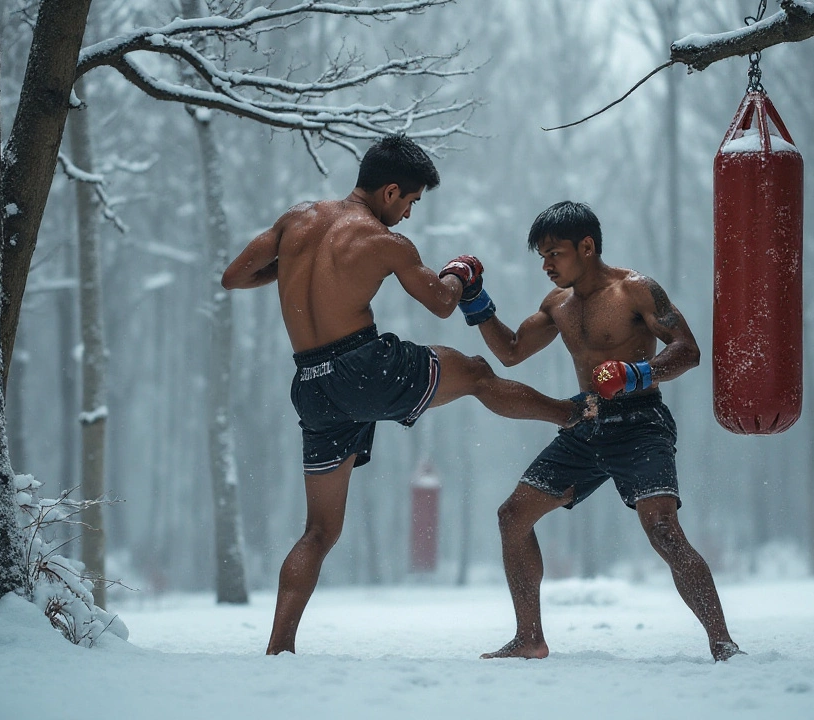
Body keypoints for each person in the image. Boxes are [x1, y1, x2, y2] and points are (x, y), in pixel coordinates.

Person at [220, 136, 592, 655]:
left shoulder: (296, 220)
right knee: (477, 373)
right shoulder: (383, 240)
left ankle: (278, 650)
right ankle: (569, 412)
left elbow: (234, 276)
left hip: (312, 384)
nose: (410, 214)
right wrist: (459, 274)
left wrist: (295, 266)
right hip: (364, 367)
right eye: (412, 202)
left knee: (319, 532)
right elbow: (442, 304)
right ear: (391, 191)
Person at [470, 200, 742, 663]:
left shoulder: (636, 291)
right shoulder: (558, 305)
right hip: (587, 421)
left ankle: (723, 643)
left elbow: (689, 350)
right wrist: (474, 300)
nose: (546, 264)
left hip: (640, 422)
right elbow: (512, 351)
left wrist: (637, 373)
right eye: (541, 255)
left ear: (587, 246)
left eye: (554, 253)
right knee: (512, 516)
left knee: (662, 530)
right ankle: (529, 638)